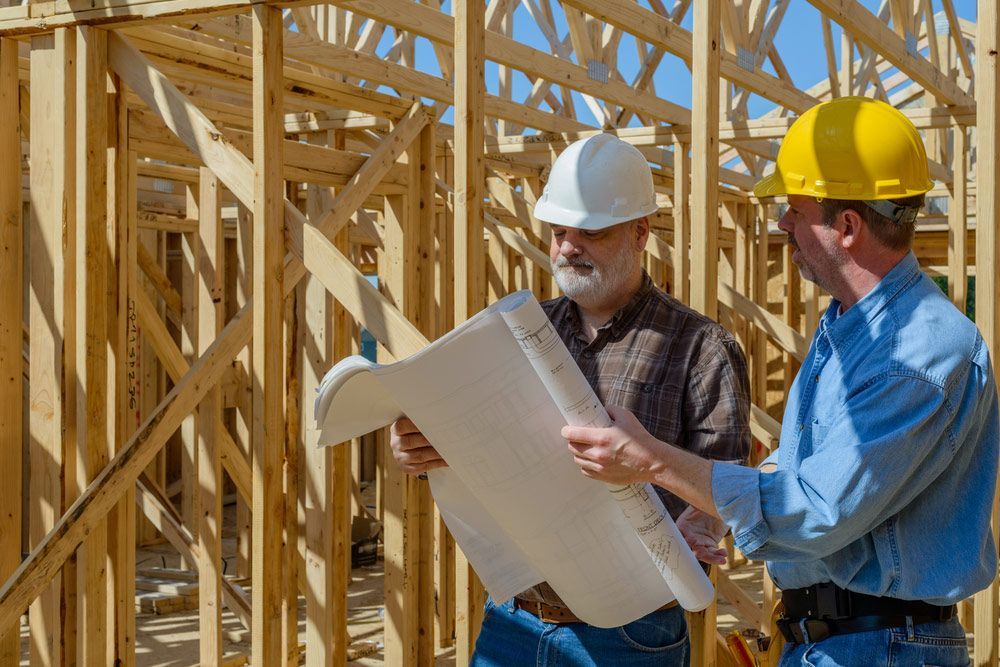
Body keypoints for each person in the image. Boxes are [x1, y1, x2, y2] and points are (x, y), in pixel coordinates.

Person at [563, 97, 999, 666]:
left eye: (795, 209)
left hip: (880, 646)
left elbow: (819, 511)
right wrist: (714, 508)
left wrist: (650, 459)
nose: (781, 223)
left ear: (847, 225)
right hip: (845, 641)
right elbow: (809, 467)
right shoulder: (852, 327)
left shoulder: (915, 353)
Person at [390, 133, 751, 666]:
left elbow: (726, 480)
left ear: (641, 232)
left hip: (631, 632)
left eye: (591, 232)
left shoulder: (700, 347)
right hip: (514, 617)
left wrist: (699, 525)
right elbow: (482, 446)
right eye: (558, 232)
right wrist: (425, 450)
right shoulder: (515, 334)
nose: (567, 247)